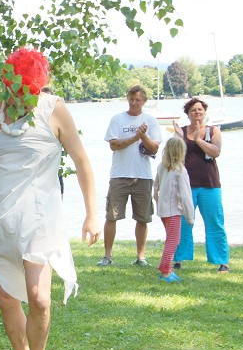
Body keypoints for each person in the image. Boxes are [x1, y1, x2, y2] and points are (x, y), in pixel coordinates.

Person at [0, 48, 100, 350]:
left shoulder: (54, 110)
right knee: (5, 301)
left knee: (40, 298)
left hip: (40, 219)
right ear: (7, 82)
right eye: (18, 90)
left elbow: (81, 160)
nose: (24, 98)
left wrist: (93, 213)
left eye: (32, 90)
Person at [98, 85, 161, 267]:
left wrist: (143, 137)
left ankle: (141, 257)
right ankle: (107, 256)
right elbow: (114, 145)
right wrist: (135, 137)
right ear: (127, 99)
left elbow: (155, 147)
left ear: (144, 101)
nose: (134, 103)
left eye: (138, 100)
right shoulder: (118, 119)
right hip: (119, 175)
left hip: (143, 175)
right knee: (112, 215)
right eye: (131, 99)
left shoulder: (150, 120)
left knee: (142, 217)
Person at [173, 97, 230, 272]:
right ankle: (179, 259)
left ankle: (221, 261)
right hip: (186, 185)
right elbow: (175, 157)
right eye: (193, 110)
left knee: (215, 223)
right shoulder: (181, 131)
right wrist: (179, 137)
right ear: (188, 114)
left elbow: (216, 152)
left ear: (205, 112)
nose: (197, 113)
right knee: (183, 223)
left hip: (210, 185)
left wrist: (198, 139)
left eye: (200, 110)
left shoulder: (213, 130)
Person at [153, 135, 194, 282]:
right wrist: (190, 216)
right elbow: (185, 196)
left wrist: (158, 201)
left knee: (170, 239)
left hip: (163, 211)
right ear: (181, 152)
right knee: (173, 240)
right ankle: (165, 271)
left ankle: (167, 269)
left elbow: (155, 187)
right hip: (174, 212)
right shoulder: (180, 171)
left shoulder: (161, 167)